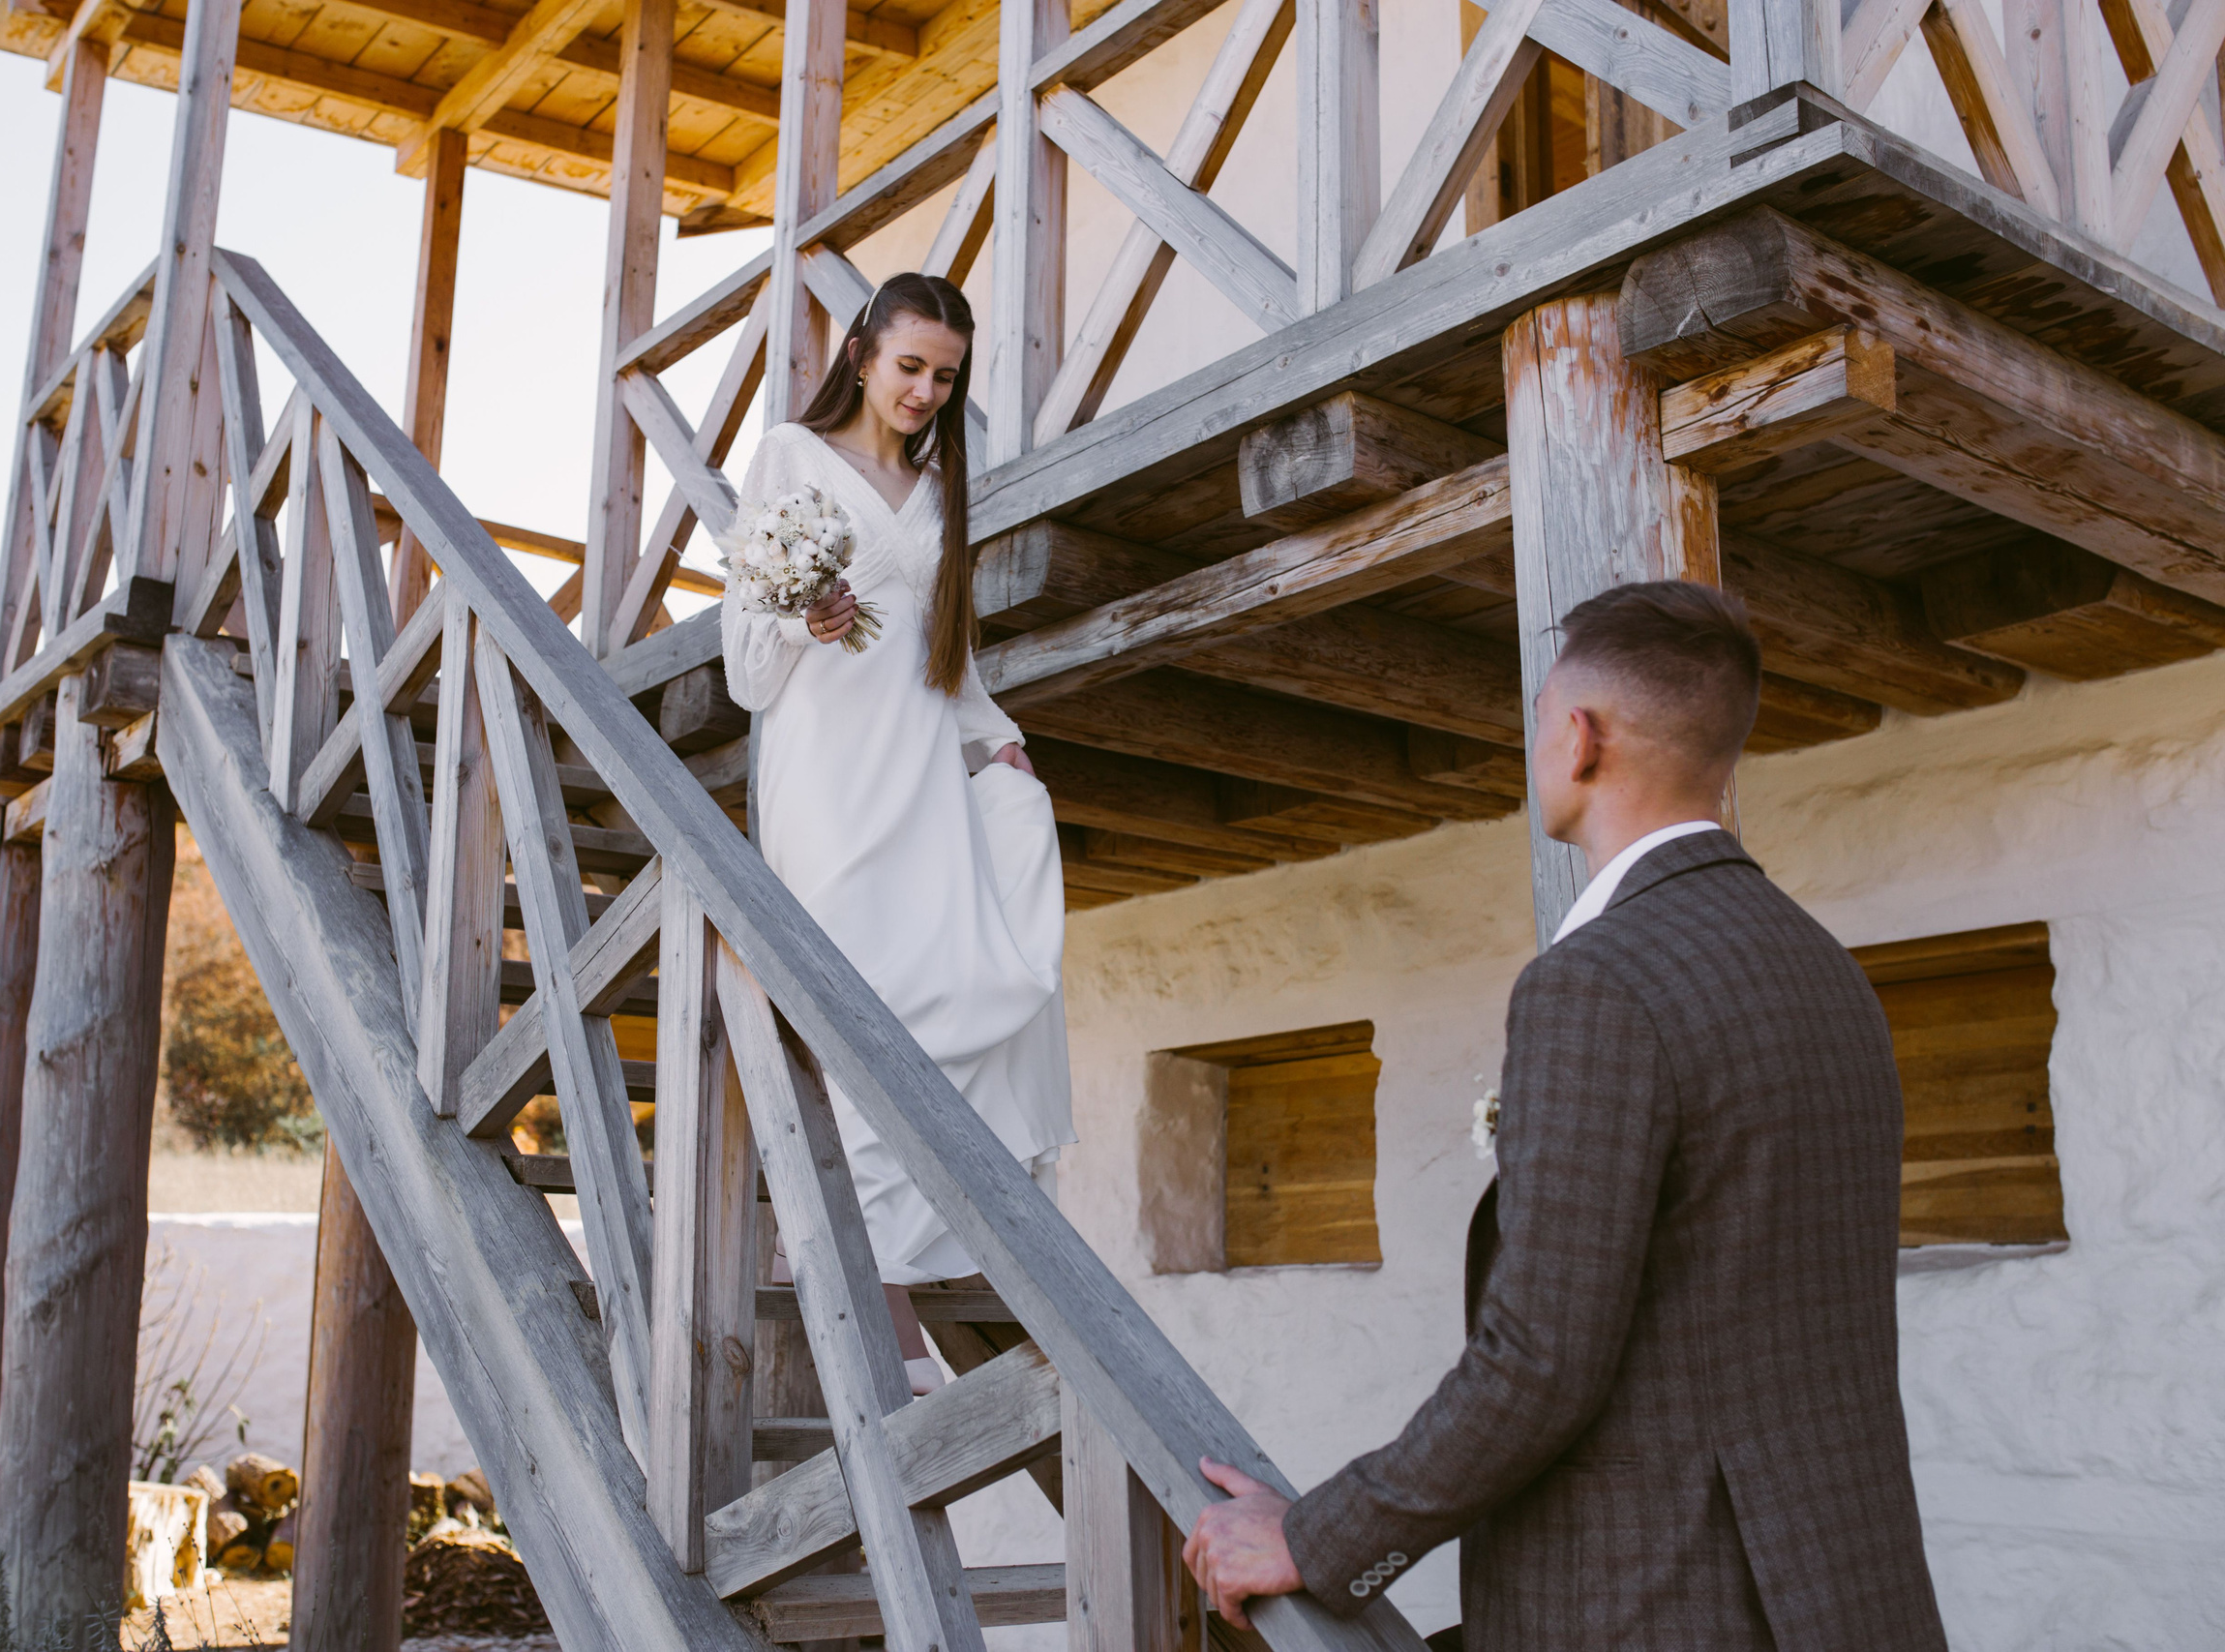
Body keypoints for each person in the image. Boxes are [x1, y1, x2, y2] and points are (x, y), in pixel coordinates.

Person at [1183, 581, 1947, 1650]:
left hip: (1658, 1604)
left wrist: (1320, 1538)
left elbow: (1539, 1359)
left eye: (1539, 718)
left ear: (1578, 738)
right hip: (1844, 1594)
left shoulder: (1595, 984)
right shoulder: (1826, 971)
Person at [720, 272, 1074, 1395]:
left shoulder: (935, 488)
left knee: (950, 980)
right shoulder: (789, 456)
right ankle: (883, 1311)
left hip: (921, 762)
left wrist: (997, 742)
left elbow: (943, 654)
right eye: (911, 365)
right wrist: (800, 615)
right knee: (860, 1000)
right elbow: (744, 668)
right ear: (864, 351)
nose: (925, 391)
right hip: (828, 767)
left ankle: (895, 1268)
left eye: (946, 377)